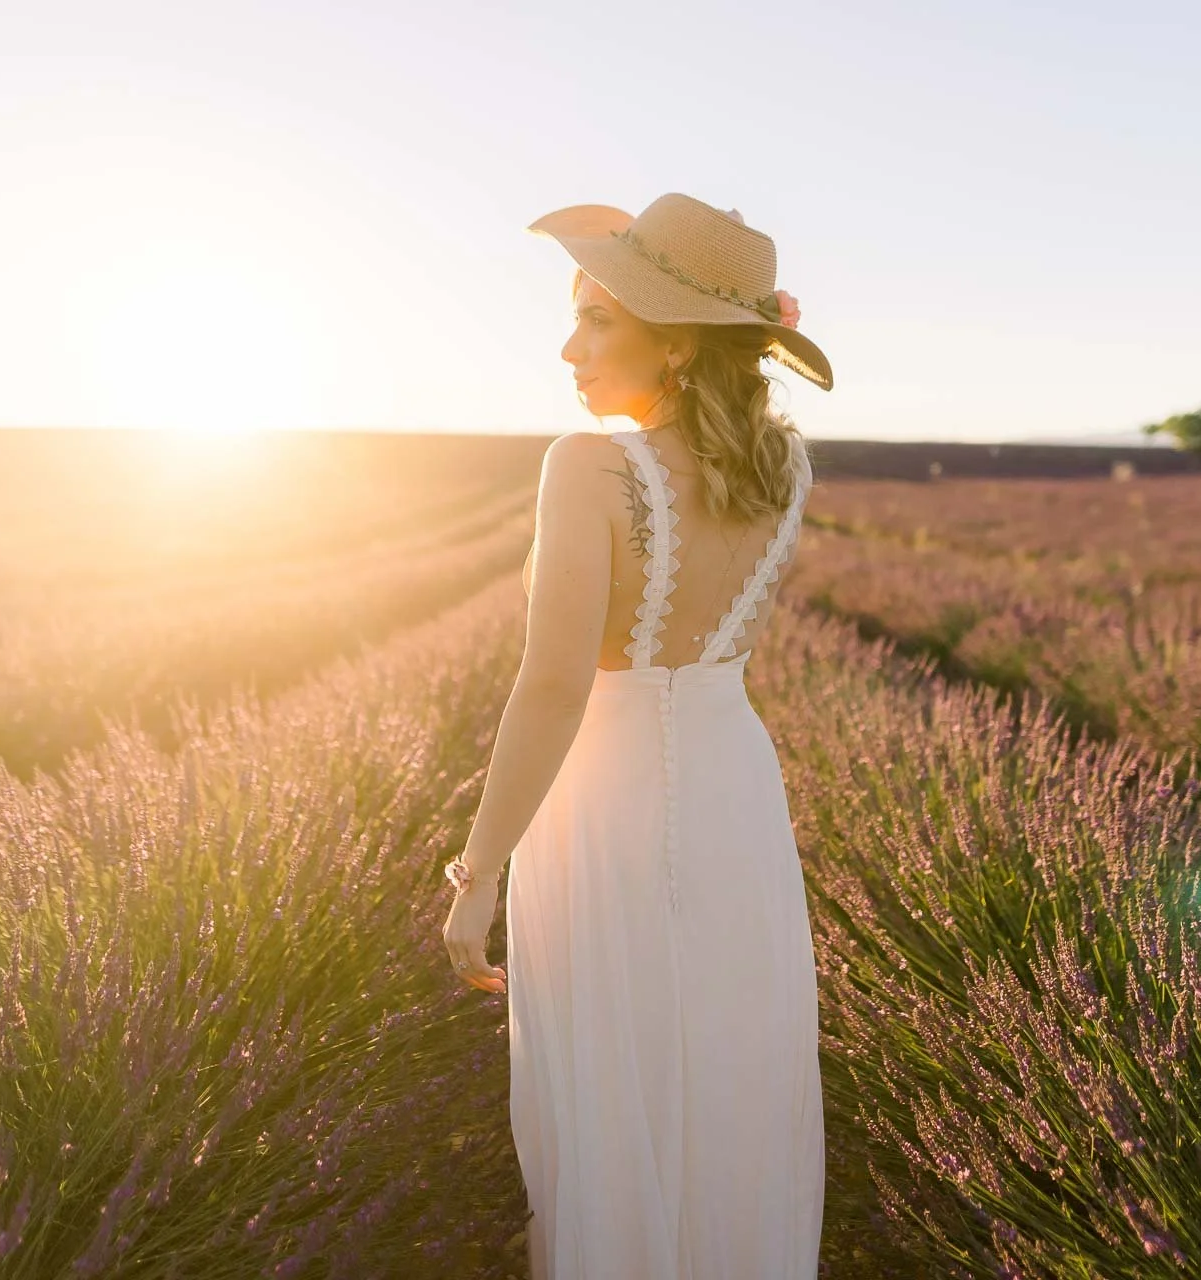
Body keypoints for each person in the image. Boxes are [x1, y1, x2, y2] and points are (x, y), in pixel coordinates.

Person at [440, 192, 834, 1278]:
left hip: (600, 806)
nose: (569, 348)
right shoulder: (785, 470)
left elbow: (555, 684)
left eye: (597, 319)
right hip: (734, 796)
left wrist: (477, 876)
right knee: (726, 1079)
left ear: (672, 339)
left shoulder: (588, 467)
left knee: (607, 1089)